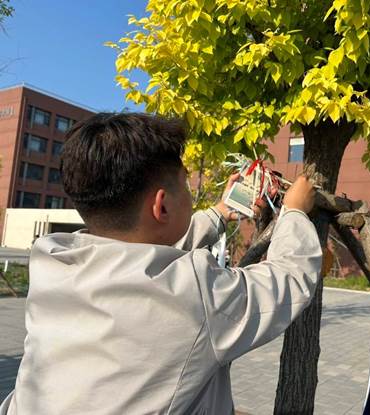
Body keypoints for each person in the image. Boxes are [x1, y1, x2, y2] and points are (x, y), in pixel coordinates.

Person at [0, 113, 322, 415]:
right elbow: (289, 276)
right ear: (162, 205)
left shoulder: (55, 265)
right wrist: (295, 211)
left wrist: (220, 212)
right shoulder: (197, 296)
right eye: (184, 185)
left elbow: (145, 261)